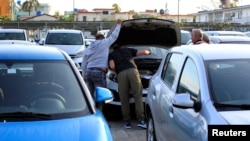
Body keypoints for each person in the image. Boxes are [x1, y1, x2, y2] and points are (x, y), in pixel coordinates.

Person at [82, 19, 122, 110]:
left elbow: (84, 62)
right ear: (103, 38)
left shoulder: (90, 46)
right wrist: (119, 25)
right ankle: (100, 114)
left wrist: (84, 75)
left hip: (89, 71)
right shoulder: (105, 43)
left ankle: (90, 112)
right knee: (101, 96)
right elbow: (114, 36)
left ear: (95, 38)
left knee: (90, 96)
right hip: (99, 72)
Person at [108, 44, 151, 129]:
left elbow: (112, 66)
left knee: (124, 99)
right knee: (138, 96)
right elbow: (142, 52)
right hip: (133, 72)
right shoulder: (127, 50)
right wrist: (149, 52)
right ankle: (141, 121)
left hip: (121, 74)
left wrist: (117, 69)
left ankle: (127, 122)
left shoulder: (111, 54)